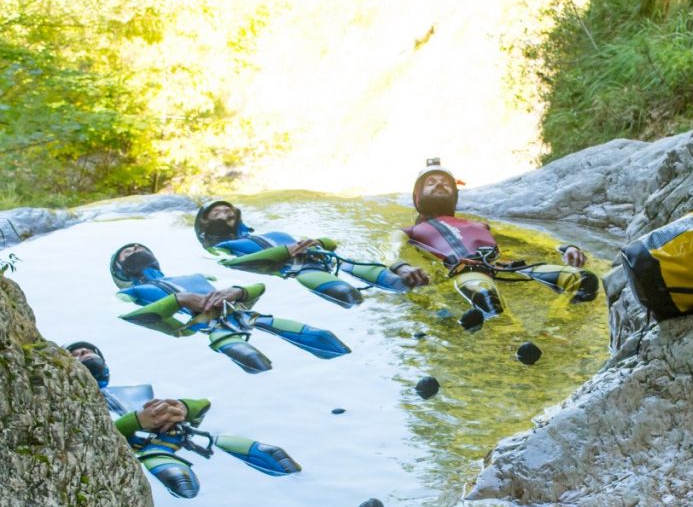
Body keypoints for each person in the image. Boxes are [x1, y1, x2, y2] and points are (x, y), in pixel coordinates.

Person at [68, 341, 300, 498]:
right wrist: (137, 421)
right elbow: (84, 442)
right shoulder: (68, 406)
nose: (83, 354)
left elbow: (207, 402)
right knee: (183, 486)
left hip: (187, 437)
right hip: (149, 453)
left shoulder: (136, 392)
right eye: (75, 354)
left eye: (87, 351)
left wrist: (183, 408)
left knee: (277, 458)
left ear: (105, 365)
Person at [396, 159, 600, 329]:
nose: (440, 184)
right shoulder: (410, 231)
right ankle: (511, 339)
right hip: (465, 271)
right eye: (431, 182)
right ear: (417, 197)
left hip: (507, 267)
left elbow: (530, 238)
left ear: (456, 196)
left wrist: (567, 247)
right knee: (486, 297)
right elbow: (389, 249)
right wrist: (401, 267)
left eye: (446, 183)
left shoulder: (480, 224)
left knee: (583, 280)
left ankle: (556, 328)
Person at [110, 242, 350, 373]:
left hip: (245, 313)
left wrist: (237, 291)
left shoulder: (197, 274)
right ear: (121, 270)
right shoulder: (127, 294)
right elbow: (131, 316)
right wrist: (180, 300)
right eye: (127, 253)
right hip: (209, 328)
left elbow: (257, 287)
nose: (135, 251)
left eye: (139, 248)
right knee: (254, 361)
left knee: (321, 336)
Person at [195, 200, 428, 309]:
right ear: (206, 223)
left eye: (227, 207)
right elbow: (234, 263)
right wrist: (285, 251)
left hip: (329, 260)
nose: (225, 210)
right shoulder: (221, 248)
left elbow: (331, 244)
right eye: (217, 211)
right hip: (301, 270)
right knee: (348, 295)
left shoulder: (273, 232)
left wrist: (318, 241)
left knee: (401, 283)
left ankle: (421, 301)